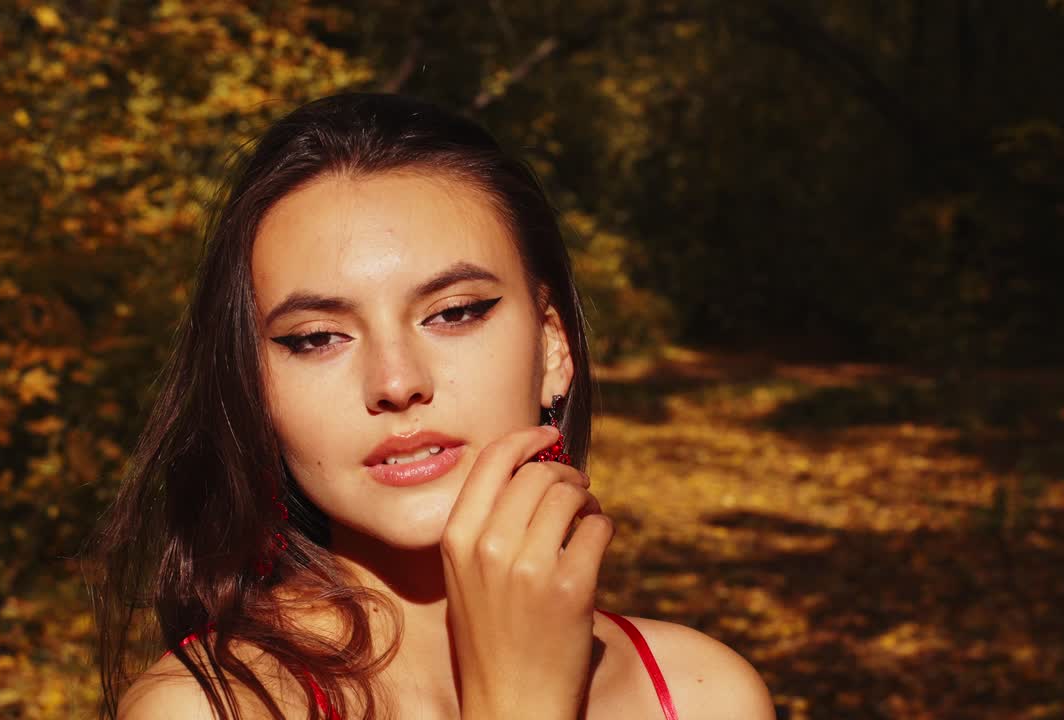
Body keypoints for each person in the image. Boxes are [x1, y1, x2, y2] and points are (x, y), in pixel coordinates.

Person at [91, 92, 774, 720]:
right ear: (255, 389)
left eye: (454, 313)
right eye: (317, 338)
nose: (396, 381)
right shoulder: (206, 708)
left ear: (553, 346)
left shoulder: (704, 693)